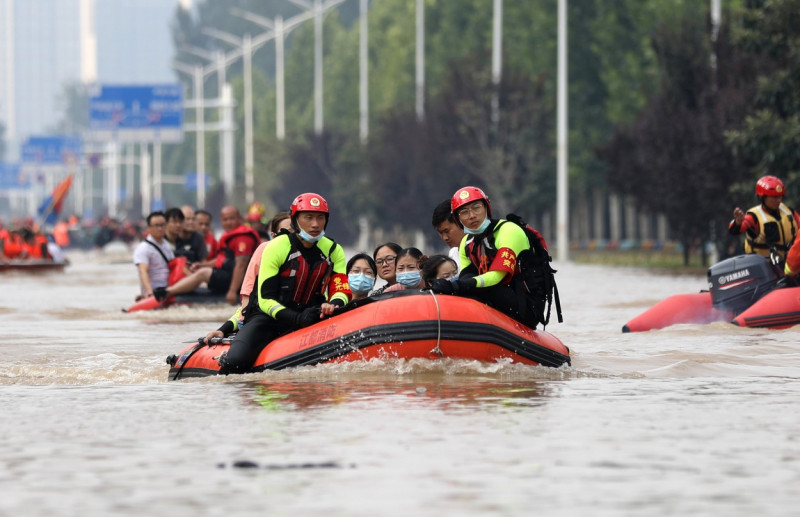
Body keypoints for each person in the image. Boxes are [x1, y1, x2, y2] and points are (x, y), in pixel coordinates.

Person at [204, 193, 351, 374]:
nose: (315, 224)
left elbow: (341, 289)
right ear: (295, 219)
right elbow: (265, 300)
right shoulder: (276, 247)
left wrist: (333, 305)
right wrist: (296, 318)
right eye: (308, 217)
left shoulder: (334, 250)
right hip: (268, 319)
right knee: (234, 363)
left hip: (312, 315)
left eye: (320, 218)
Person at [429, 186, 537, 327]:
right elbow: (466, 277)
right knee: (463, 288)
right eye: (464, 212)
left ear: (487, 208)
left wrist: (454, 285)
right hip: (496, 300)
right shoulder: (466, 244)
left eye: (476, 208)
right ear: (458, 219)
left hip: (526, 306)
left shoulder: (509, 231)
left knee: (468, 287)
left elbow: (496, 276)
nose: (472, 215)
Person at [162, 206, 260, 305]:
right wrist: (202, 265)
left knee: (203, 273)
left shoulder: (243, 238)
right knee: (202, 270)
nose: (228, 222)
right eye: (225, 219)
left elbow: (241, 265)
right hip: (228, 275)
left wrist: (232, 291)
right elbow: (223, 259)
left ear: (239, 218)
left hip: (240, 281)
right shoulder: (230, 235)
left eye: (232, 219)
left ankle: (167, 292)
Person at [729, 175, 800, 261]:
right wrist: (738, 222)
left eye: (780, 196)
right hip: (763, 268)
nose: (778, 200)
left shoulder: (789, 212)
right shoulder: (754, 216)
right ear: (762, 197)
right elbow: (735, 229)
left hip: (788, 265)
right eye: (774, 197)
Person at [132, 211, 174, 300]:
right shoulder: (143, 248)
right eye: (156, 225)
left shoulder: (167, 245)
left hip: (169, 288)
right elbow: (143, 271)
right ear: (149, 228)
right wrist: (149, 292)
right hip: (155, 291)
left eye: (162, 225)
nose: (160, 228)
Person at [431, 199, 465, 272]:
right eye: (440, 233)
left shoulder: (480, 248)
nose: (444, 238)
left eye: (447, 231)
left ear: (461, 222)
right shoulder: (453, 253)